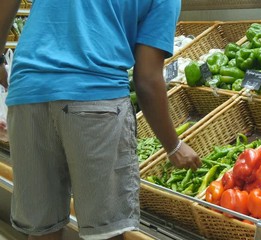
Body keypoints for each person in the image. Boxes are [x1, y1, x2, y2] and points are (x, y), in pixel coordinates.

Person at [0, 0, 202, 239]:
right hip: (96, 96)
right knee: (106, 232)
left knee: (42, 229)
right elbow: (146, 79)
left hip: (28, 94)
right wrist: (173, 145)